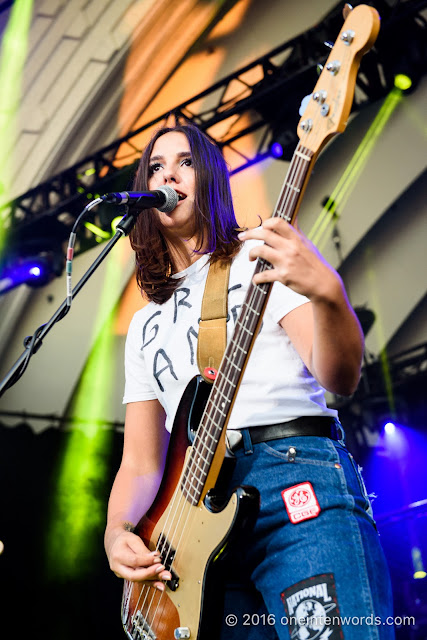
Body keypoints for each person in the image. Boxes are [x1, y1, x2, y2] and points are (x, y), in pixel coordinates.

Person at [104, 123, 394, 640]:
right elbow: (141, 463)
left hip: (293, 482)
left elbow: (340, 376)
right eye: (156, 165)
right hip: (196, 528)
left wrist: (328, 293)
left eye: (186, 162)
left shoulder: (256, 257)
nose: (168, 172)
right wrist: (115, 532)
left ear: (211, 177)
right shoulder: (146, 324)